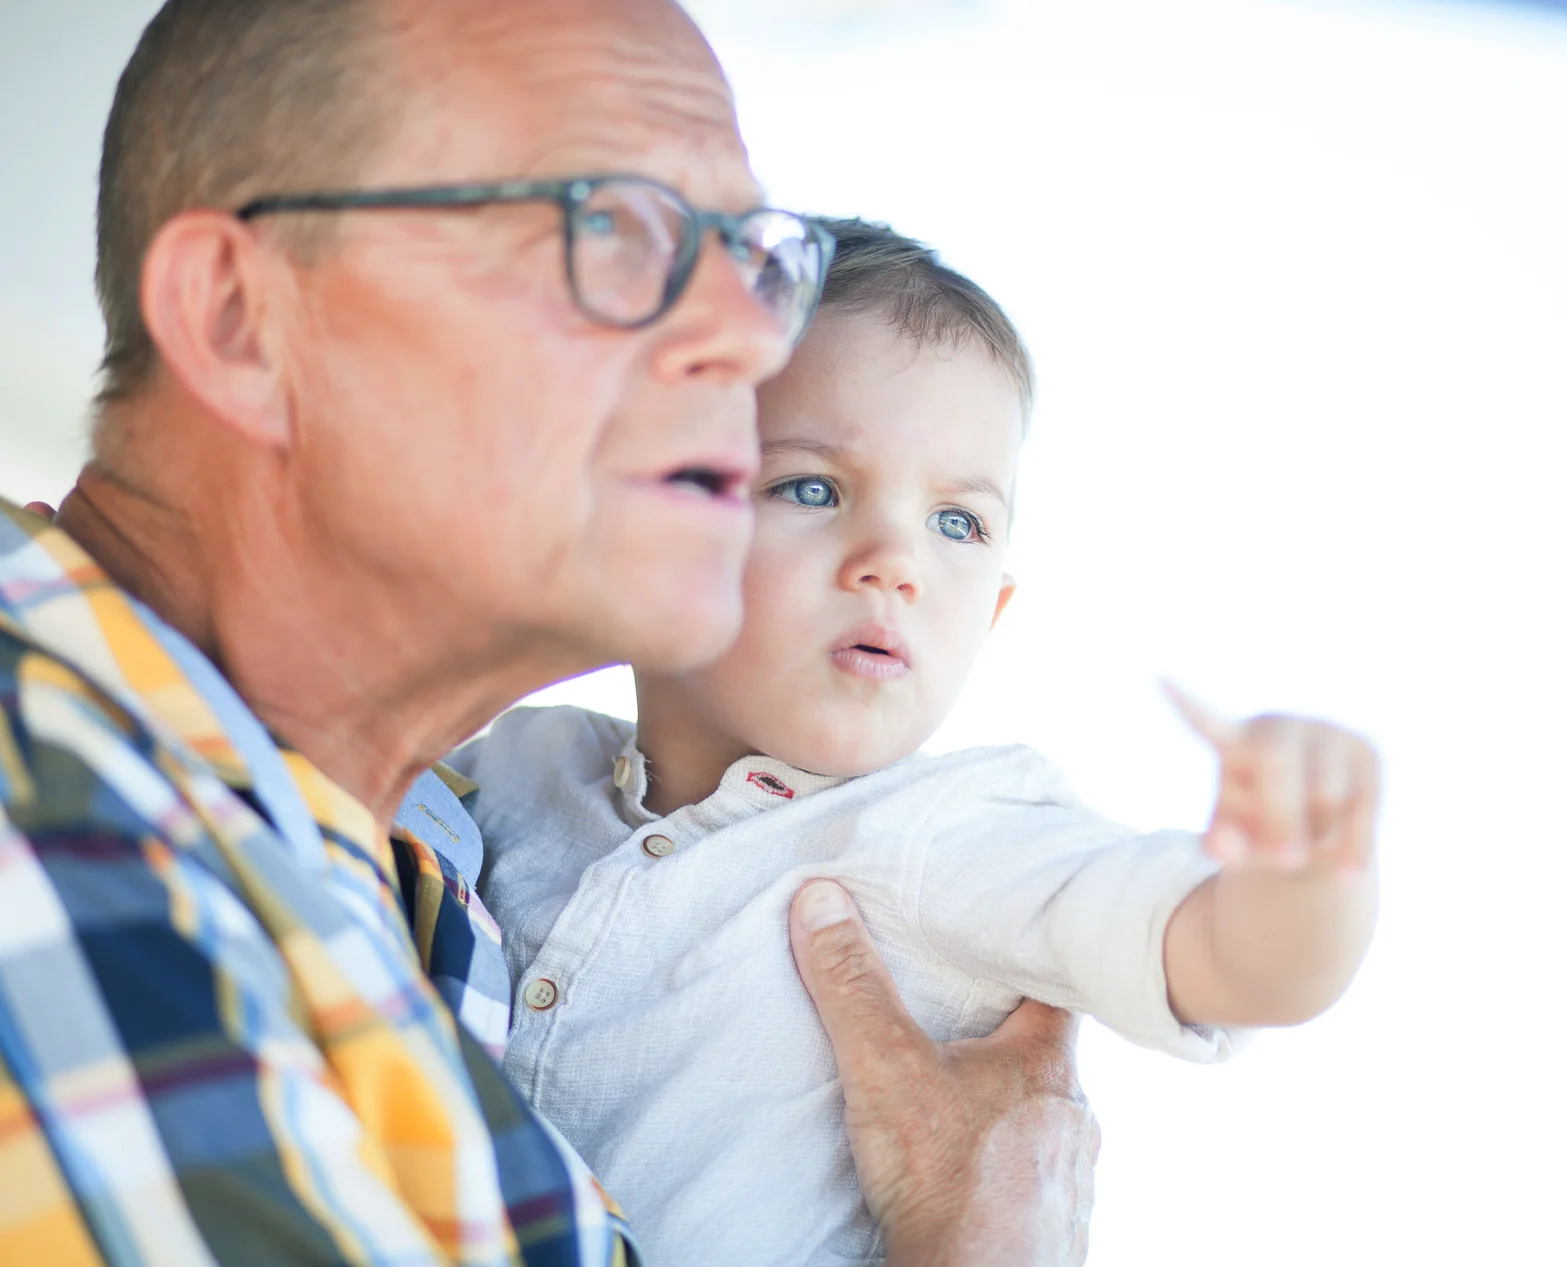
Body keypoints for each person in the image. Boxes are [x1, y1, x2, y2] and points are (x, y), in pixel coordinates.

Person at [0, 2, 1097, 1264]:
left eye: (754, 260)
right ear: (246, 318)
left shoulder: (433, 860)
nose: (752, 335)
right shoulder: (47, 819)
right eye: (617, 231)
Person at [454, 219, 1382, 1264]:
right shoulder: (511, 764)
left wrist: (1299, 877)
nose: (895, 560)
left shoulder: (951, 831)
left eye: (958, 523)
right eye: (811, 487)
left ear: (988, 613)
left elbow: (1224, 961)